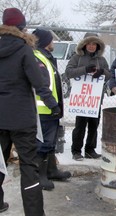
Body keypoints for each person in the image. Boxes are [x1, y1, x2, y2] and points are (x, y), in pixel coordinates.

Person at [0, 8, 45, 215]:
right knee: (28, 166)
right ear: (21, 26)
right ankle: (34, 212)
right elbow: (38, 82)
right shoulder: (25, 49)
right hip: (21, 117)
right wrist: (53, 105)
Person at [32, 28, 71, 191]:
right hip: (44, 110)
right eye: (51, 40)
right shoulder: (38, 58)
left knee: (51, 143)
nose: (53, 43)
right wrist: (52, 104)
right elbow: (41, 86)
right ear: (45, 42)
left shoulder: (46, 57)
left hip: (50, 109)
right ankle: (40, 177)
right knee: (43, 144)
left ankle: (51, 170)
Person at [65, 33, 111, 161]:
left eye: (94, 44)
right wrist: (85, 69)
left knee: (93, 125)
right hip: (82, 99)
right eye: (89, 43)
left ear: (98, 46)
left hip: (95, 99)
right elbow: (68, 72)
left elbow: (109, 74)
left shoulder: (101, 60)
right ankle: (76, 150)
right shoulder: (77, 58)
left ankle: (90, 149)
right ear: (84, 45)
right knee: (80, 126)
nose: (91, 46)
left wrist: (102, 72)